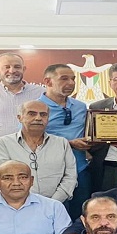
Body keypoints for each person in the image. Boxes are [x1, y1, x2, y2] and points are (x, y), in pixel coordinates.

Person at [0, 100, 77, 203]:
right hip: (17, 206)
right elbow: (3, 178)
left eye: (43, 114)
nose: (38, 118)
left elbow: (70, 177)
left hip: (58, 204)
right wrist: (29, 205)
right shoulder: (3, 143)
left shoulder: (61, 143)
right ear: (20, 118)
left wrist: (52, 203)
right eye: (32, 114)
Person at [39, 64, 92, 217]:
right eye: (64, 79)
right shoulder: (35, 108)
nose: (70, 83)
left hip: (80, 169)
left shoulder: (81, 106)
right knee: (51, 215)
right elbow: (30, 138)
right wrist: (69, 144)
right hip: (50, 172)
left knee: (81, 217)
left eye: (73, 79)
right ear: (48, 81)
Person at [0, 53, 46, 141]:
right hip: (0, 147)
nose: (12, 71)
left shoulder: (41, 92)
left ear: (23, 69)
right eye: (7, 67)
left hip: (33, 146)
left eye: (17, 67)